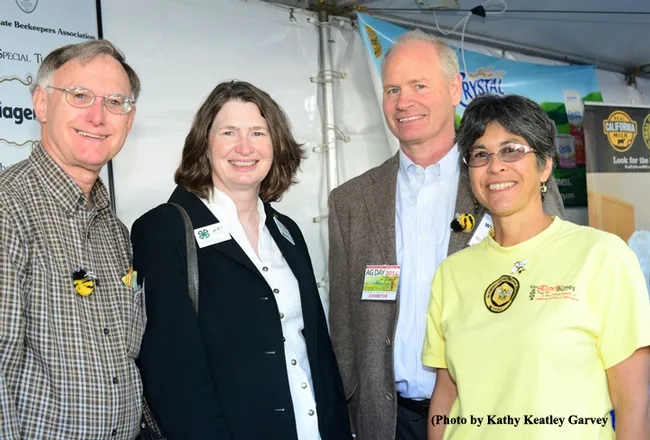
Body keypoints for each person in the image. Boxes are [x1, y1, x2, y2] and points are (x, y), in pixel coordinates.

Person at [327, 30, 565, 440]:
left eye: (420, 85)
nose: (404, 101)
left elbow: (554, 290)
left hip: (488, 412)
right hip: (384, 420)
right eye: (393, 89)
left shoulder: (503, 181)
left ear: (455, 90)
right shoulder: (350, 201)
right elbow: (344, 320)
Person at [131, 80, 352, 440]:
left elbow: (317, 354)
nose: (244, 147)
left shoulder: (287, 232)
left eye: (257, 133)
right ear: (204, 144)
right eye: (229, 132)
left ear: (275, 144)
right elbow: (172, 372)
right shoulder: (164, 230)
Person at [424, 94, 650, 440]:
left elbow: (633, 401)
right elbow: (446, 395)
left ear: (545, 165)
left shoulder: (602, 256)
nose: (495, 166)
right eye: (480, 154)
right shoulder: (451, 274)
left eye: (512, 150)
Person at [0, 40, 142, 439]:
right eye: (80, 96)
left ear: (129, 121)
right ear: (41, 104)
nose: (98, 116)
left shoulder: (114, 230)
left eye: (116, 102)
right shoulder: (8, 209)